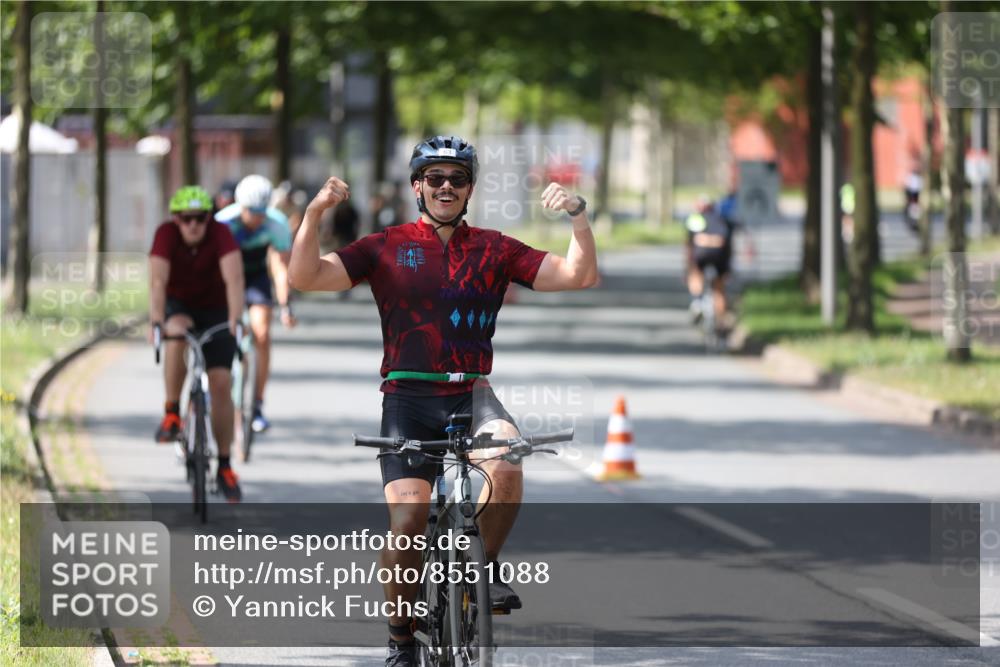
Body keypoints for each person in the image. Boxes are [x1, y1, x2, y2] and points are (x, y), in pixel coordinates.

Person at [288, 135, 598, 666]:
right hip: (407, 397)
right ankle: (401, 638)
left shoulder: (495, 248)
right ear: (417, 186)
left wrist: (577, 216)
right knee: (407, 520)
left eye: (457, 178)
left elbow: (579, 274)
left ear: (470, 187)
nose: (446, 186)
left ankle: (486, 568)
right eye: (435, 178)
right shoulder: (386, 245)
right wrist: (315, 213)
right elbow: (305, 276)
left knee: (507, 462)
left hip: (473, 393)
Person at [149, 185, 244, 501]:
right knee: (176, 333)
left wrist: (235, 319)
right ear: (175, 219)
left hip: (217, 309)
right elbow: (158, 281)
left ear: (209, 217)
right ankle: (172, 411)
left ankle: (226, 464)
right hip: (181, 307)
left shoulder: (220, 234)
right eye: (185, 218)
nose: (193, 225)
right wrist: (156, 321)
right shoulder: (165, 235)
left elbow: (234, 280)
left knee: (221, 383)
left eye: (200, 218)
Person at [214, 174, 297, 433]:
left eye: (262, 212)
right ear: (241, 206)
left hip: (256, 277)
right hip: (226, 278)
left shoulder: (277, 224)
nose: (257, 218)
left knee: (262, 334)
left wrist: (285, 306)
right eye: (252, 212)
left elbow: (281, 268)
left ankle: (258, 403)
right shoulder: (223, 222)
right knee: (222, 333)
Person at [685, 195, 738, 329]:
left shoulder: (695, 219)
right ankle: (721, 321)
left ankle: (697, 302)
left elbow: (689, 245)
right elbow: (729, 245)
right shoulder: (723, 220)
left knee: (695, 273)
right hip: (721, 256)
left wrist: (688, 266)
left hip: (702, 253)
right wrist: (728, 268)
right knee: (719, 289)